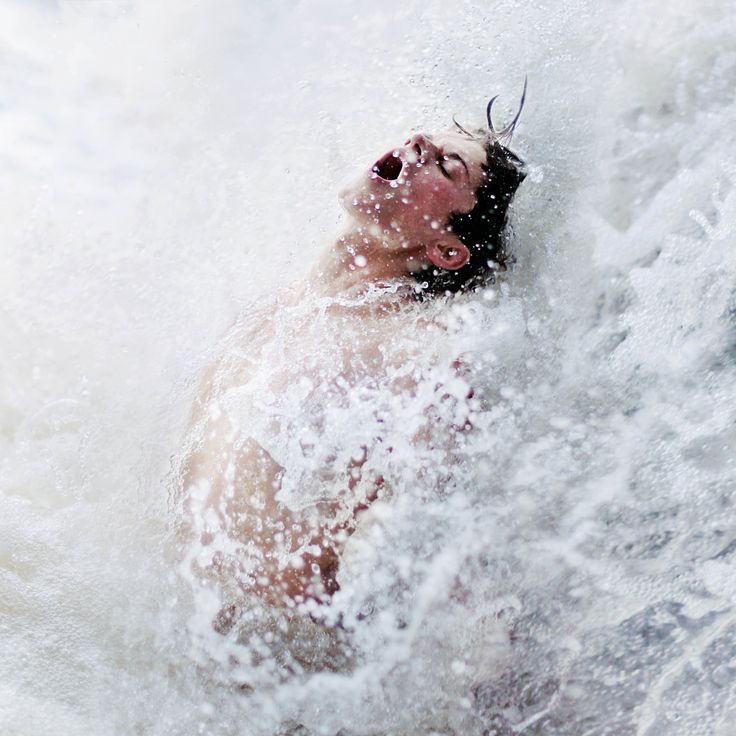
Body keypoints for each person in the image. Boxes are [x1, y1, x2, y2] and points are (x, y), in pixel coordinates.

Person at [175, 96, 527, 636]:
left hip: (277, 667)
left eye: (447, 166)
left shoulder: (412, 347)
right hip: (191, 636)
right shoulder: (273, 307)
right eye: (430, 138)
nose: (421, 143)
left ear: (447, 251)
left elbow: (461, 530)